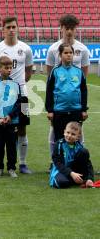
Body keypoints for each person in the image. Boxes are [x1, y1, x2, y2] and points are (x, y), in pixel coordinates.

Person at [0, 16, 33, 174]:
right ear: (3, 30)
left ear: (18, 28)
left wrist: (18, 86)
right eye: (8, 27)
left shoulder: (25, 49)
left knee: (21, 128)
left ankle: (22, 163)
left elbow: (28, 72)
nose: (11, 30)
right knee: (0, 128)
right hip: (3, 96)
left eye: (14, 27)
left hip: (21, 94)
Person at [45, 14, 90, 160]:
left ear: (76, 29)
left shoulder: (83, 49)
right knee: (55, 133)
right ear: (61, 29)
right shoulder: (53, 49)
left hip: (75, 104)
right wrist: (50, 108)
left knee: (77, 132)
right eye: (66, 28)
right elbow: (50, 77)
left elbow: (84, 77)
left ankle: (78, 160)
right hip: (58, 104)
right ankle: (55, 161)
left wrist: (83, 106)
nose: (69, 31)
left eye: (72, 28)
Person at [45, 43, 88, 143]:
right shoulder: (55, 71)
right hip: (59, 112)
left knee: (75, 140)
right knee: (60, 141)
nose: (69, 55)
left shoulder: (79, 72)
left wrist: (84, 109)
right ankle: (57, 159)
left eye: (71, 52)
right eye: (65, 53)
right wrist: (50, 110)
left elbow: (84, 91)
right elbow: (49, 91)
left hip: (76, 112)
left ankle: (75, 159)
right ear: (60, 55)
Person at [0, 56, 22, 178]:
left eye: (10, 68)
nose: (9, 70)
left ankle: (12, 168)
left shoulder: (16, 85)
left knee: (12, 146)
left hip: (12, 122)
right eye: (6, 68)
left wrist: (10, 116)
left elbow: (19, 103)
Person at [49, 122, 94, 188]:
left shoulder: (79, 146)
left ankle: (83, 179)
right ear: (64, 132)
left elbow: (88, 164)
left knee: (84, 152)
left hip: (74, 170)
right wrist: (71, 173)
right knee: (62, 182)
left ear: (78, 137)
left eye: (73, 134)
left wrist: (90, 178)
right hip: (61, 170)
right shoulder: (59, 144)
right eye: (68, 132)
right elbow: (58, 163)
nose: (69, 135)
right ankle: (77, 180)